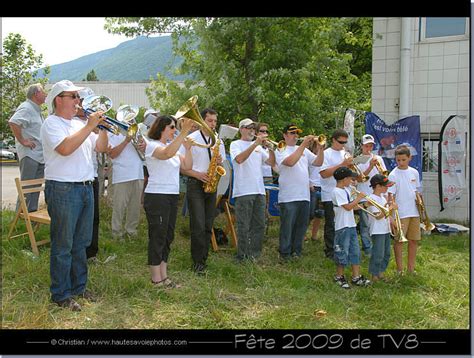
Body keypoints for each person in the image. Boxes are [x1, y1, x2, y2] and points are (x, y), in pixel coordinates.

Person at [40, 80, 108, 311]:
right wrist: (89, 126)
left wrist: (103, 129)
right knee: (63, 244)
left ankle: (79, 288)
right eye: (74, 96)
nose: (79, 101)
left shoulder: (79, 124)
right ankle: (60, 294)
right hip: (63, 189)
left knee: (81, 244)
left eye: (78, 97)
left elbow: (100, 148)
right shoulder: (52, 123)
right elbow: (65, 149)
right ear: (59, 99)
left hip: (86, 187)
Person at [144, 115, 194, 288]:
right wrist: (184, 133)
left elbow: (187, 166)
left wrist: (187, 149)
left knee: (167, 236)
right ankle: (155, 278)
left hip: (171, 195)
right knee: (157, 236)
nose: (175, 130)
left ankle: (164, 276)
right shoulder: (152, 146)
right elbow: (166, 154)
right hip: (157, 195)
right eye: (172, 127)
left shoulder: (174, 147)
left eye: (175, 127)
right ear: (161, 128)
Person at [181, 108, 226, 274]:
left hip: (211, 184)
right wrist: (197, 175)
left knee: (208, 224)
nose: (213, 124)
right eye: (210, 121)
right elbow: (182, 168)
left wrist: (220, 162)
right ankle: (197, 262)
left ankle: (203, 259)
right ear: (202, 121)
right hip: (195, 184)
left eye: (215, 121)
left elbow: (220, 166)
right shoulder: (190, 139)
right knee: (198, 225)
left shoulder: (218, 141)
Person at [230, 118, 275, 262]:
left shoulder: (259, 147)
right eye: (248, 128)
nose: (252, 131)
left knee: (260, 224)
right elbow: (239, 159)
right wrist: (255, 144)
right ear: (241, 129)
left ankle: (254, 255)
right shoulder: (235, 144)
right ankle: (242, 256)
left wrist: (272, 150)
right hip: (243, 190)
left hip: (259, 190)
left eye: (253, 128)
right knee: (243, 224)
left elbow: (271, 163)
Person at [275, 124, 319, 262]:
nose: (295, 136)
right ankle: (285, 253)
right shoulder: (280, 148)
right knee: (287, 227)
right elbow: (290, 162)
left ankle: (296, 251)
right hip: (288, 195)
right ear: (285, 135)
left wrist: (321, 149)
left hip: (304, 194)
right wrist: (304, 145)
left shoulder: (304, 151)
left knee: (301, 226)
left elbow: (318, 162)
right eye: (292, 133)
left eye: (297, 133)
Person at [8, 83, 48, 212]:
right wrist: (22, 141)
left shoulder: (36, 109)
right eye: (43, 91)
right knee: (26, 187)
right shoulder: (26, 108)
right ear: (36, 94)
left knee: (35, 187)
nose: (46, 94)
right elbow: (14, 122)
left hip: (39, 155)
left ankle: (32, 214)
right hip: (30, 154)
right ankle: (20, 216)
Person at [108, 112, 146, 241]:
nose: (131, 122)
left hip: (138, 173)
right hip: (122, 175)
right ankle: (117, 233)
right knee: (119, 206)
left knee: (135, 206)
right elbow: (112, 154)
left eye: (132, 119)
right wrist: (126, 140)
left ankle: (131, 231)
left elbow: (144, 153)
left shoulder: (138, 133)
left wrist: (142, 145)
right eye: (128, 120)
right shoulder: (114, 133)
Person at [331, 166, 371, 289]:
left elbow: (353, 207)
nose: (352, 181)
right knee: (342, 251)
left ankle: (356, 276)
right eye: (350, 178)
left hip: (351, 225)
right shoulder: (336, 191)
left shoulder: (347, 190)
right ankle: (339, 276)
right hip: (342, 226)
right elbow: (347, 207)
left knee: (355, 251)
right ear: (344, 179)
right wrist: (359, 199)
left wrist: (364, 204)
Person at [75, 87, 102, 262]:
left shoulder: (90, 125)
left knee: (94, 217)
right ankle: (78, 254)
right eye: (88, 103)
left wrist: (102, 128)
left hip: (92, 175)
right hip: (76, 179)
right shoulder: (72, 123)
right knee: (78, 220)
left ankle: (91, 252)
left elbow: (100, 147)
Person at [387, 145, 422, 275]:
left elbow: (416, 190)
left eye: (403, 160)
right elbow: (391, 196)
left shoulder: (414, 172)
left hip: (414, 212)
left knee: (413, 240)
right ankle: (399, 269)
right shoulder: (393, 175)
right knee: (399, 241)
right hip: (401, 213)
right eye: (398, 160)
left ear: (409, 158)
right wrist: (392, 216)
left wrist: (419, 201)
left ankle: (411, 269)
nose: (400, 162)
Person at [319, 129, 353, 259]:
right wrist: (342, 164)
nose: (343, 145)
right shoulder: (326, 154)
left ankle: (343, 246)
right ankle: (330, 250)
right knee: (331, 223)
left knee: (344, 222)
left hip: (345, 193)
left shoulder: (345, 153)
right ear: (333, 140)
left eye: (345, 142)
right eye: (340, 142)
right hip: (329, 193)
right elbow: (324, 174)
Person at [355, 134, 389, 257]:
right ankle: (367, 248)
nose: (369, 148)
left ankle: (378, 245)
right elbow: (359, 179)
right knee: (365, 224)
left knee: (379, 221)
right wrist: (370, 166)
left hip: (379, 196)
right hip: (364, 196)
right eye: (366, 145)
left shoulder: (378, 158)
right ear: (362, 146)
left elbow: (384, 175)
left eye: (371, 145)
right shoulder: (357, 160)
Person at [366, 174, 396, 282]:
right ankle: (374, 275)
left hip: (385, 229)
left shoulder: (383, 198)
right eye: (385, 186)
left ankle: (381, 273)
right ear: (378, 186)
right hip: (377, 230)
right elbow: (378, 216)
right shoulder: (371, 199)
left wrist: (394, 223)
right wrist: (391, 207)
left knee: (386, 253)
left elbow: (386, 216)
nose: (387, 188)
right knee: (378, 253)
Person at [307, 138, 325, 242]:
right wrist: (309, 183)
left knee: (319, 213)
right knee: (310, 213)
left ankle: (314, 236)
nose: (320, 146)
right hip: (313, 186)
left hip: (322, 186)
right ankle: (302, 234)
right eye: (318, 145)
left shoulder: (324, 156)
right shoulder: (309, 156)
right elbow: (305, 170)